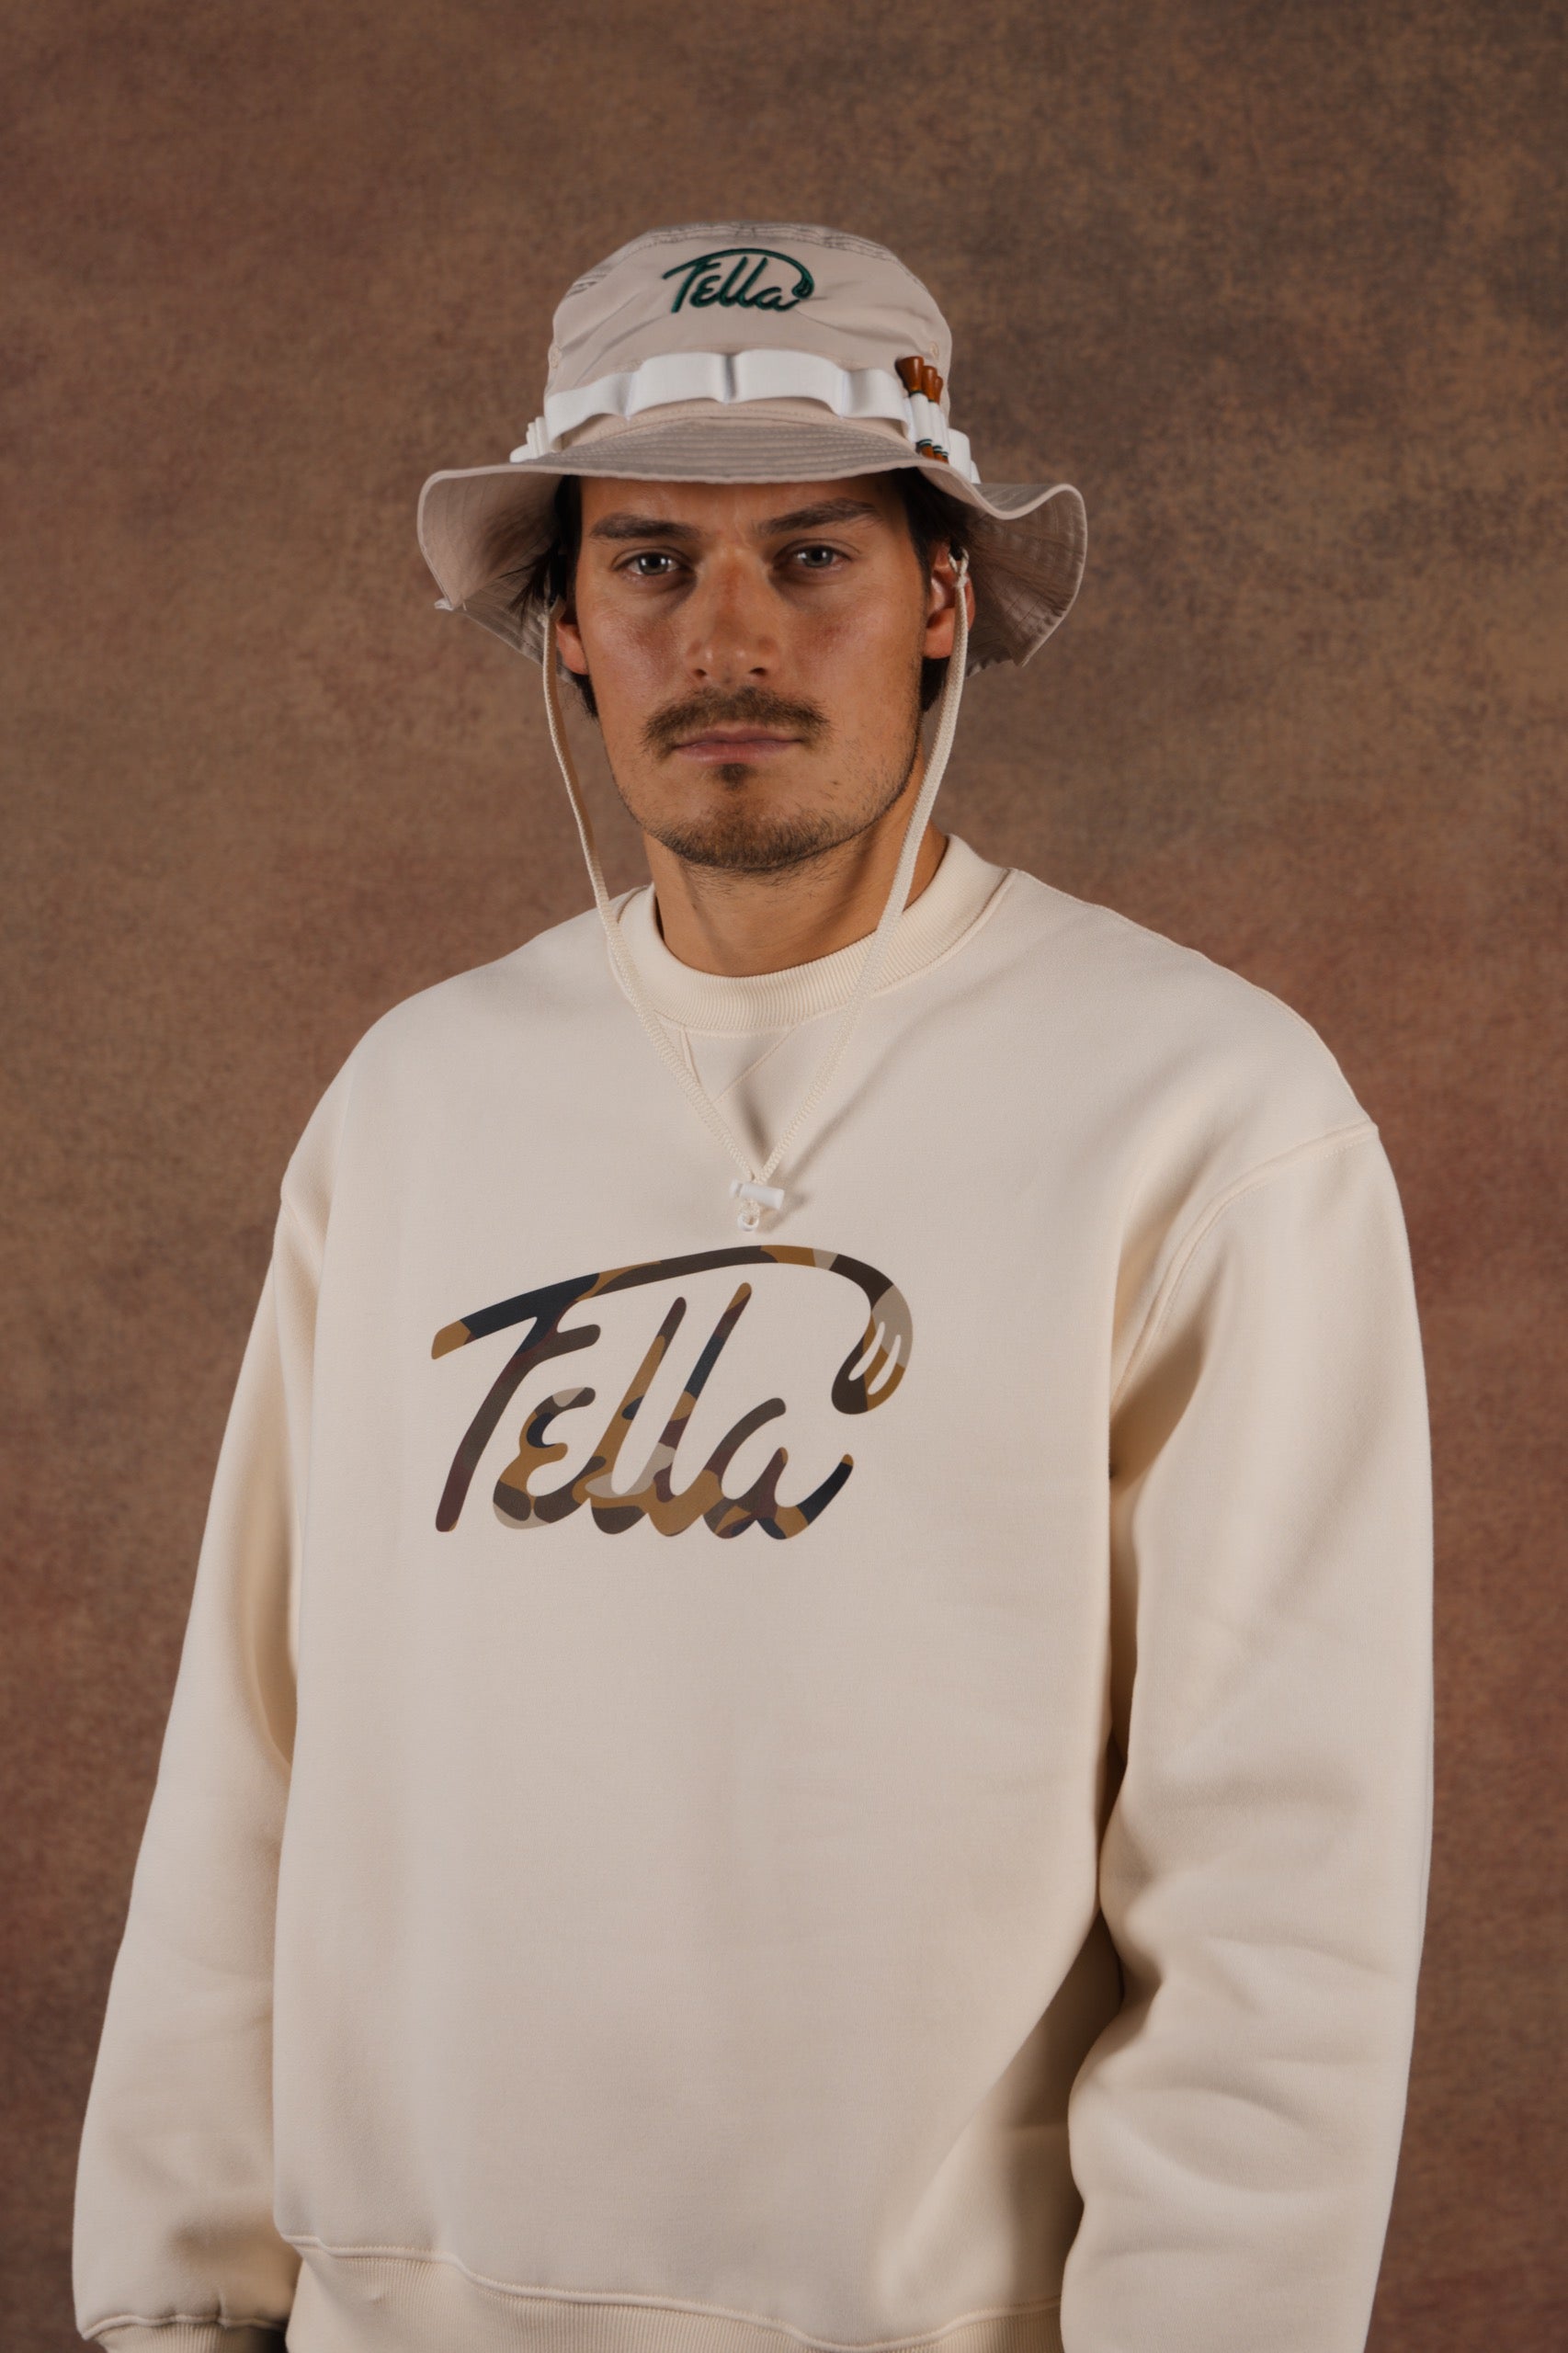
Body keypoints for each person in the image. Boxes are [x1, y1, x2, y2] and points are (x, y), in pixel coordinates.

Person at [72, 222, 1433, 2353]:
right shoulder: (418, 1098)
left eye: (813, 556)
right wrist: (175, 2292)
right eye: (647, 562)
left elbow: (1281, 1875)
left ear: (942, 600)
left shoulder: (1199, 1107)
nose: (729, 638)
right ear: (562, 630)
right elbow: (254, 1742)